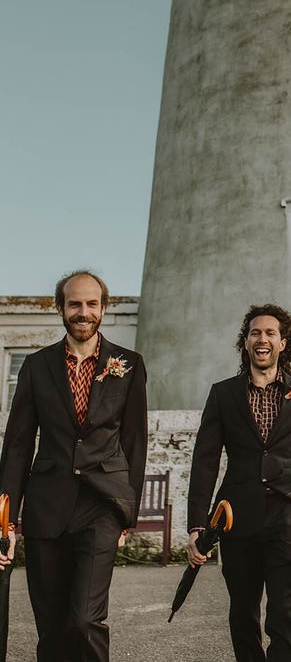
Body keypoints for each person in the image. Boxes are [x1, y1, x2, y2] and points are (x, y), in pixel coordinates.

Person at [0, 270, 148, 662]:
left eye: (92, 304)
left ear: (104, 307)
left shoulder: (129, 364)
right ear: (61, 308)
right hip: (47, 507)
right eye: (75, 304)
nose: (83, 312)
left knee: (85, 621)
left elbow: (134, 442)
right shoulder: (35, 366)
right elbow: (17, 445)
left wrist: (125, 514)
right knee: (51, 628)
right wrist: (7, 521)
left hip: (101, 507)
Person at [186, 304, 291, 662]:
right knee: (243, 612)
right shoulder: (223, 394)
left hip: (287, 512)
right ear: (245, 343)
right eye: (255, 333)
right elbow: (205, 460)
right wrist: (197, 523)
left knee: (285, 613)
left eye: (270, 333)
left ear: (283, 342)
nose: (263, 339)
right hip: (235, 516)